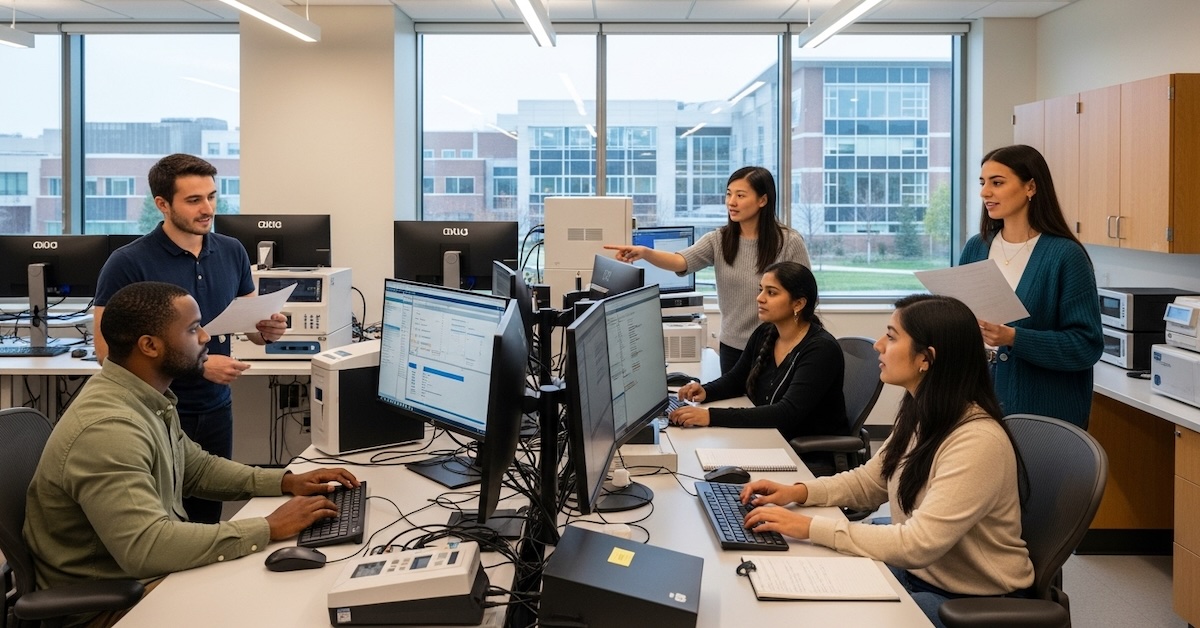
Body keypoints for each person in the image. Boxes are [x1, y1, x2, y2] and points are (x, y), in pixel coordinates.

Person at [24, 281, 356, 627]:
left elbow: (196, 469)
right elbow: (148, 547)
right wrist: (268, 527)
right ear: (149, 346)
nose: (206, 338)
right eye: (194, 328)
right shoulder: (109, 429)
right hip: (109, 606)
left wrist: (287, 481)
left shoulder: (141, 395)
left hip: (141, 578)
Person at [737, 294, 1034, 627]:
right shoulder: (923, 413)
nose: (879, 345)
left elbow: (918, 544)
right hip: (918, 575)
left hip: (970, 602)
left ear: (926, 359)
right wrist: (798, 492)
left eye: (891, 337)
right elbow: (871, 482)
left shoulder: (976, 440)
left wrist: (808, 527)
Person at [94, 153, 287, 523]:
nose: (208, 209)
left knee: (206, 515)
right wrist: (200, 367)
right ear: (162, 205)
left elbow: (247, 323)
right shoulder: (128, 262)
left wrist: (266, 331)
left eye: (212, 196)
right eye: (194, 200)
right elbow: (106, 353)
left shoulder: (230, 251)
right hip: (155, 411)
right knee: (160, 518)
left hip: (215, 408)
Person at [604, 166, 810, 373]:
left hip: (777, 346)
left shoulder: (788, 242)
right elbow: (680, 261)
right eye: (729, 194)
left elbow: (806, 296)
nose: (731, 202)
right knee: (733, 403)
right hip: (732, 347)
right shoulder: (719, 240)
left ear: (762, 200)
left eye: (740, 195)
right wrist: (645, 253)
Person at [960, 144, 1103, 428]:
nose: (985, 192)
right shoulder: (977, 247)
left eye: (997, 183)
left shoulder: (1064, 256)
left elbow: (1085, 346)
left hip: (1041, 412)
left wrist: (1014, 337)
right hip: (978, 401)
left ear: (1031, 187)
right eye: (983, 183)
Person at [668, 261, 844, 440]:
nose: (760, 298)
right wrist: (706, 391)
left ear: (798, 304)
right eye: (761, 290)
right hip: (768, 436)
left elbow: (786, 413)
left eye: (771, 293)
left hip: (802, 450)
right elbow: (737, 379)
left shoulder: (821, 350)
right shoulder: (766, 332)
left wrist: (711, 416)